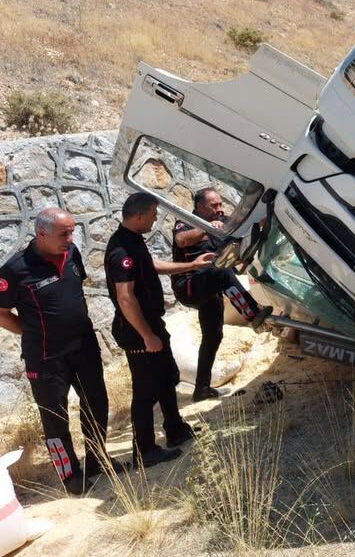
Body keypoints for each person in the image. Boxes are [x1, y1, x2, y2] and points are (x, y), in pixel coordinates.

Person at [0, 207, 113, 495]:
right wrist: (36, 332)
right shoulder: (15, 269)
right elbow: (0, 315)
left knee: (97, 403)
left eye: (72, 231)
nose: (70, 238)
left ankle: (98, 461)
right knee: (55, 419)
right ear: (41, 234)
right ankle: (70, 475)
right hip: (45, 358)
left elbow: (73, 291)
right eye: (64, 233)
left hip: (84, 348)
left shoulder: (71, 254)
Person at [104, 192, 214, 466]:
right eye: (153, 215)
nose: (156, 219)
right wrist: (147, 335)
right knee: (146, 390)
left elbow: (152, 265)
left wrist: (191, 265)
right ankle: (144, 451)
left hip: (152, 322)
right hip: (137, 329)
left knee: (167, 377)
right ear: (139, 216)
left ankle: (175, 429)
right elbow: (125, 298)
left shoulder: (133, 242)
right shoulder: (121, 251)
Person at [171, 187, 273, 402]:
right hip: (189, 285)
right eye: (213, 205)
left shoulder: (225, 220)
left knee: (213, 336)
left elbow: (250, 225)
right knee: (221, 270)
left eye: (220, 204)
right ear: (199, 207)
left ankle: (202, 389)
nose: (219, 209)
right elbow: (182, 240)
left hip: (212, 288)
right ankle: (252, 314)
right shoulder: (187, 221)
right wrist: (206, 228)